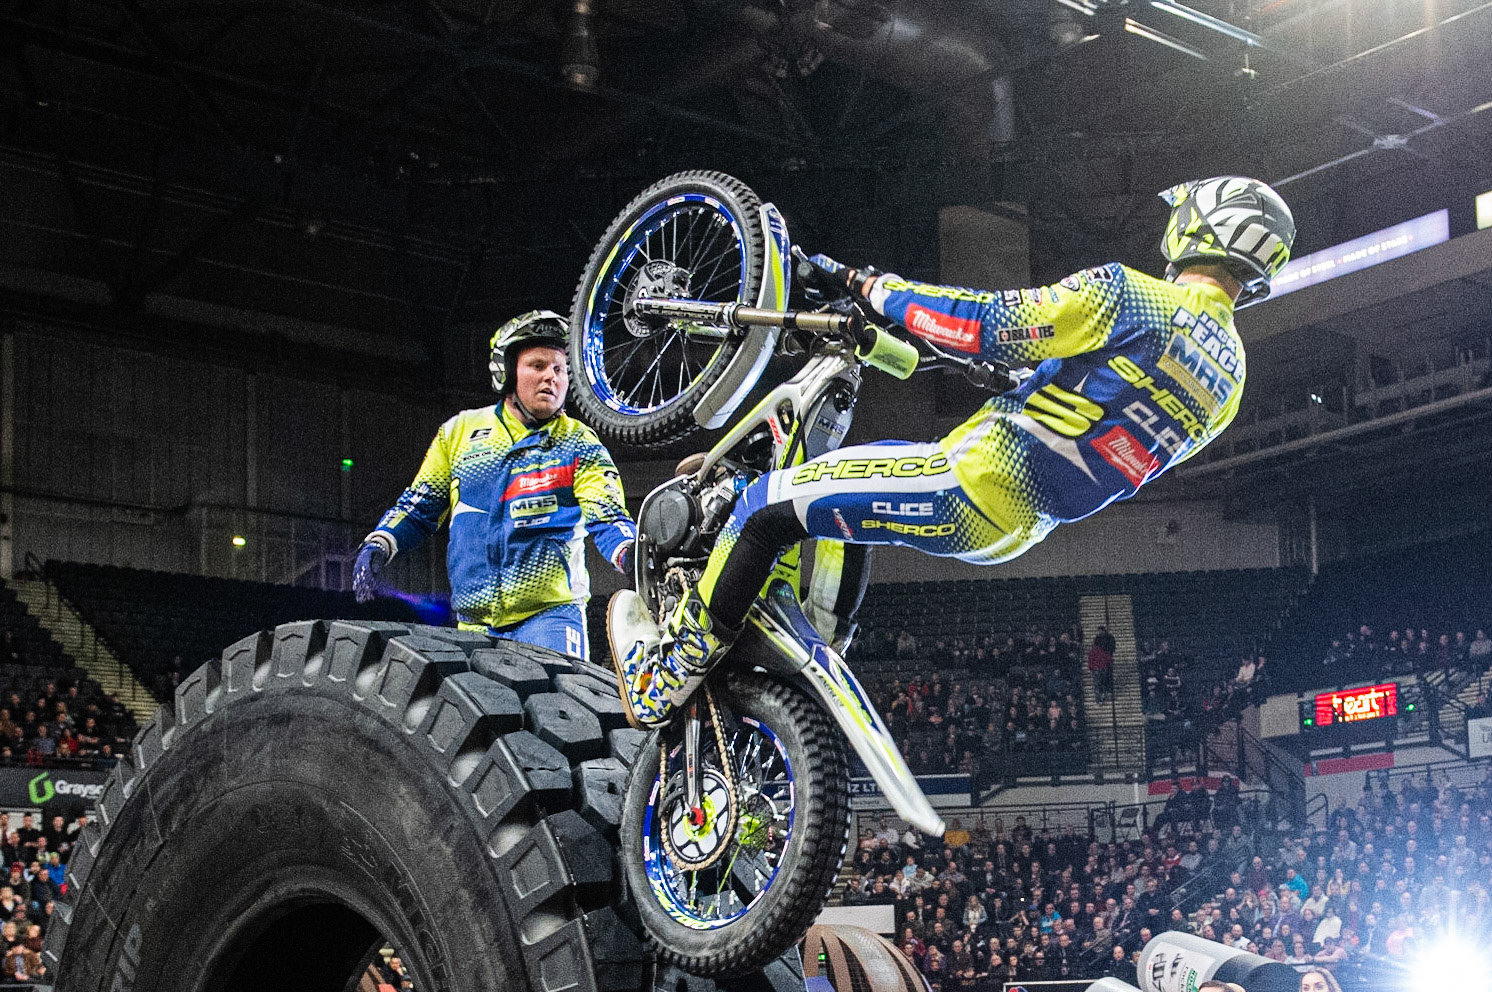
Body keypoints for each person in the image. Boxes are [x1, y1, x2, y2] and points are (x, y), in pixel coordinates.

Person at [608, 176, 1295, 727]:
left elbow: (984, 321)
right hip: (1023, 526)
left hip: (970, 481)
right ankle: (817, 633)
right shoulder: (1230, 379)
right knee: (836, 497)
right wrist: (1026, 383)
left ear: (1197, 227)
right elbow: (1108, 420)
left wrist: (868, 285)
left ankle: (667, 671)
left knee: (762, 509)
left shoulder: (1133, 296)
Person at [353, 311, 636, 660]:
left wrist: (630, 553)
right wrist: (380, 544)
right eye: (537, 365)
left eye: (560, 369)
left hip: (551, 618)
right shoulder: (458, 433)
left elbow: (606, 514)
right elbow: (419, 506)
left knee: (556, 699)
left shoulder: (579, 442)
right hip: (472, 625)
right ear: (506, 372)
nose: (551, 377)